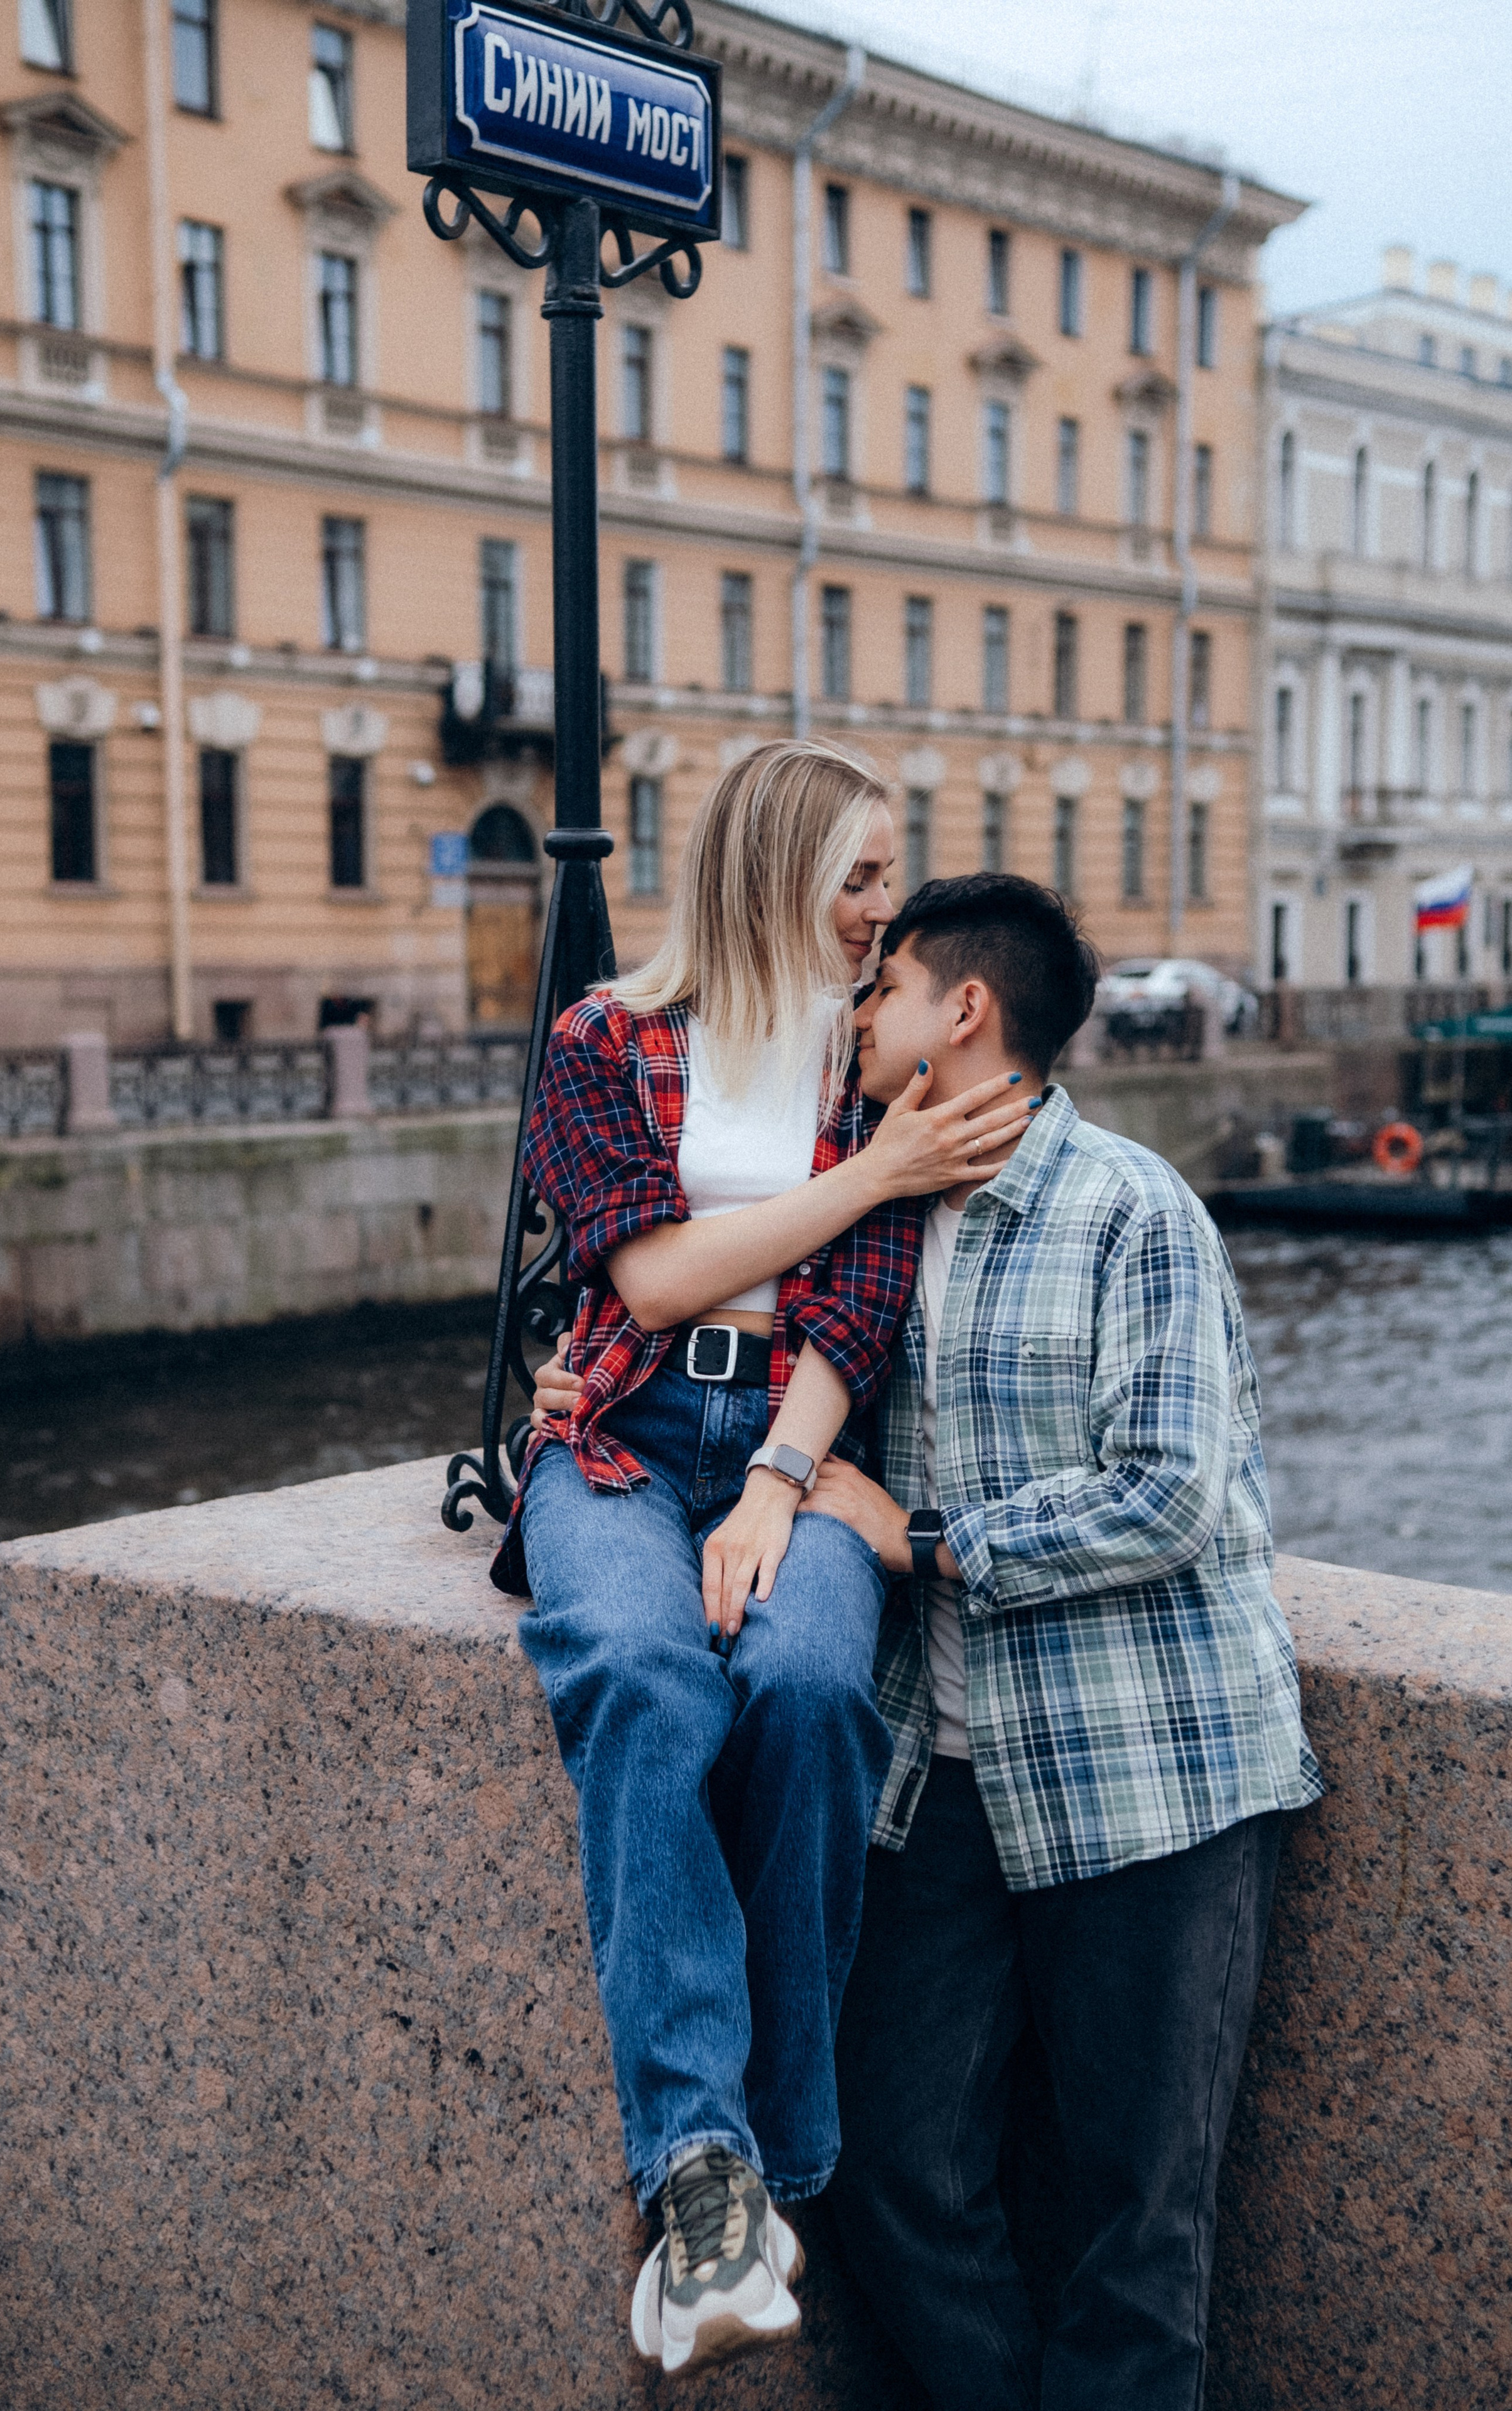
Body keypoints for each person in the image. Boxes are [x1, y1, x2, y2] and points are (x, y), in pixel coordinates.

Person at [537, 870, 1322, 2409]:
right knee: (888, 2172)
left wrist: (926, 1540)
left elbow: (1171, 1496)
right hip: (939, 1778)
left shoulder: (1128, 1208)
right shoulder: (871, 1209)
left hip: (1144, 1772)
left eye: (884, 983)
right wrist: (574, 1385)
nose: (858, 1006)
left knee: (1136, 2225)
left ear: (960, 1011)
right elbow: (702, 1345)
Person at [494, 747, 1037, 2378]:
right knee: (644, 1674)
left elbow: (855, 1309)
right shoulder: (606, 1039)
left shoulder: (872, 1049)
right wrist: (874, 1170)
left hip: (796, 1436)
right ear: (774, 867)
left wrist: (778, 1484)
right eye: (859, 875)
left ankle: (764, 2171)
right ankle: (704, 2169)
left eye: (889, 875)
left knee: (805, 1685)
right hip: (619, 1431)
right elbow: (652, 1282)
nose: (886, 908)